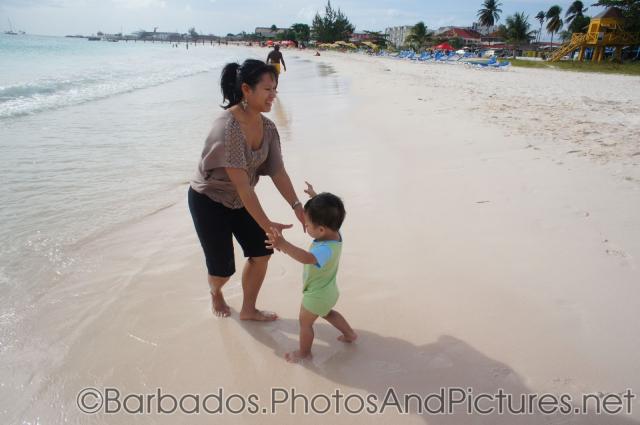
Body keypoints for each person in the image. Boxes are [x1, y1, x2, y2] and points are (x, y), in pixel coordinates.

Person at [189, 59, 305, 321]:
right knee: (222, 271)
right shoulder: (228, 128)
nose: (273, 95)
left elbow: (278, 172)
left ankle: (249, 309)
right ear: (246, 89)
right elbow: (244, 187)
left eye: (275, 89)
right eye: (267, 89)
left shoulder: (268, 127)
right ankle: (215, 292)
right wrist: (268, 226)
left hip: (240, 200)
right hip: (209, 200)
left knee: (261, 252)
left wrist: (298, 207)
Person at [266, 182, 357, 362]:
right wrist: (315, 198)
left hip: (315, 295)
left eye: (307, 224)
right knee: (328, 313)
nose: (305, 226)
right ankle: (349, 334)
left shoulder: (324, 250)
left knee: (305, 324)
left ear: (321, 229)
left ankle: (304, 353)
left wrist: (283, 245)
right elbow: (328, 213)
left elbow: (306, 257)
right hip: (329, 290)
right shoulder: (335, 235)